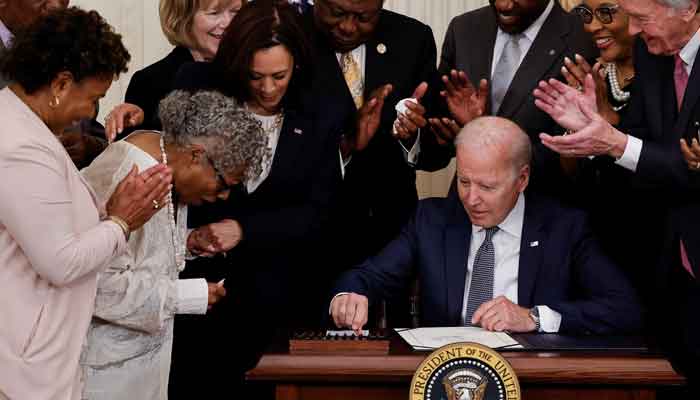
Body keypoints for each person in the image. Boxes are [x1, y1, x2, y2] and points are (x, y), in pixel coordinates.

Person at [166, 1, 381, 397]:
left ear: (296, 65)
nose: (267, 88)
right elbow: (168, 171)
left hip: (284, 305)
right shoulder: (197, 85)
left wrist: (245, 229)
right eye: (255, 76)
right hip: (203, 303)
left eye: (278, 76)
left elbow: (322, 213)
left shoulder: (321, 108)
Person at [330, 116, 642, 336]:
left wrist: (534, 317)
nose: (471, 198)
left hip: (533, 378)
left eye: (488, 187)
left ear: (522, 179)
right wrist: (350, 295)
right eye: (464, 181)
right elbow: (366, 277)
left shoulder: (565, 228)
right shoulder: (432, 220)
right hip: (446, 376)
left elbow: (624, 309)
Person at [0, 7, 171, 399]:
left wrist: (109, 210)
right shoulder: (20, 145)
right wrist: (122, 221)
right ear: (61, 85)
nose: (92, 112)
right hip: (23, 370)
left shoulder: (26, 128)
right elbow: (61, 261)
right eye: (93, 98)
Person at [532, 0, 700, 389]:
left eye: (642, 19)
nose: (636, 31)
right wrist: (598, 132)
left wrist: (615, 141)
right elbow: (650, 154)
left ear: (689, 8)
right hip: (669, 269)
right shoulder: (654, 54)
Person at [80, 90, 267, 400]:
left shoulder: (163, 156)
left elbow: (135, 252)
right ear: (196, 155)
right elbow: (94, 284)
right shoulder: (132, 171)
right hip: (103, 377)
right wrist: (186, 296)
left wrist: (188, 241)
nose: (222, 197)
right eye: (223, 185)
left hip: (135, 371)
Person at [308, 0, 449, 327]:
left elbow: (435, 156)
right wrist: (344, 146)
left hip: (386, 241)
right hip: (310, 238)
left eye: (363, 17)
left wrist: (411, 137)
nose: (347, 26)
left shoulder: (411, 39)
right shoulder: (289, 37)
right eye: (338, 13)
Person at [400, 0, 597, 199]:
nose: (504, 5)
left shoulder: (584, 38)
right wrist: (415, 132)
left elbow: (580, 164)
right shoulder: (464, 28)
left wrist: (483, 132)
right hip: (467, 212)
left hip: (543, 213)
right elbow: (438, 148)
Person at [108, 0, 244, 138]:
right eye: (214, 13)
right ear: (184, 18)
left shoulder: (254, 71)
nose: (228, 23)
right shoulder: (149, 81)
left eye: (236, 11)